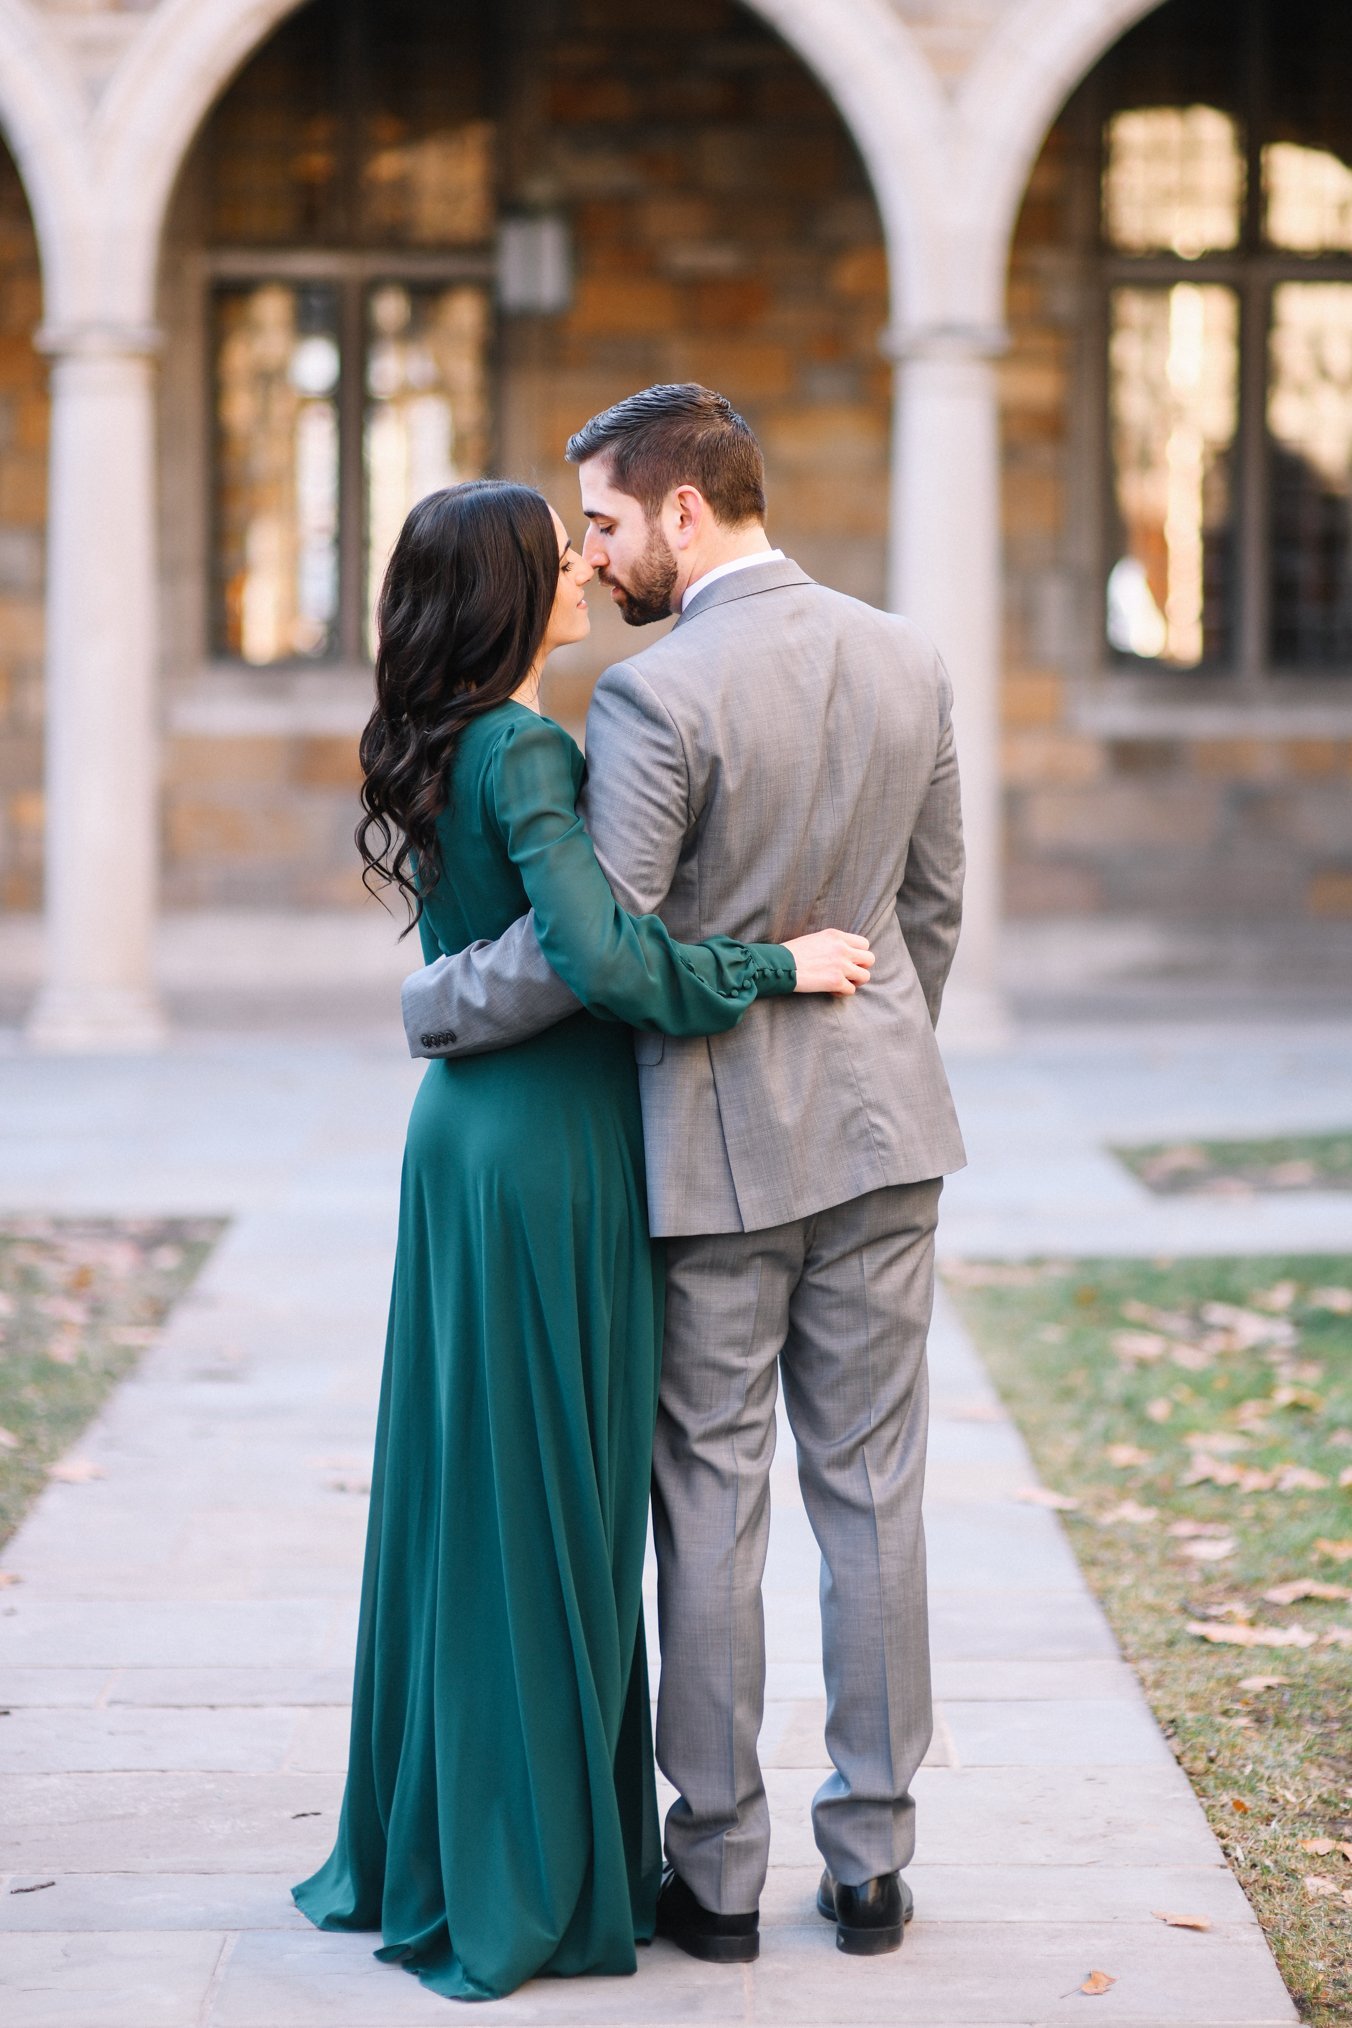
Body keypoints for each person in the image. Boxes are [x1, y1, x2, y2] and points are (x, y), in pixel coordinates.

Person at [401, 385, 967, 1965]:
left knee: (711, 1499)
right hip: (886, 1131)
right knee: (874, 1492)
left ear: (682, 514)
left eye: (603, 522)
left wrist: (434, 1003)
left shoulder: (656, 699)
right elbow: (932, 916)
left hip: (716, 1150)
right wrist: (873, 1057)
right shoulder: (909, 654)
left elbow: (593, 950)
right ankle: (872, 1865)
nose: (593, 555)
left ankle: (715, 1877)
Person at [291, 477, 873, 2002]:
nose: (583, 568)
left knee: (466, 1498)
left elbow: (518, 950)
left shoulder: (441, 735)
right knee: (545, 1506)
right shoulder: (531, 745)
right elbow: (597, 955)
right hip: (547, 1156)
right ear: (508, 592)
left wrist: (432, 1006)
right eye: (560, 556)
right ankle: (524, 1871)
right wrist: (778, 964)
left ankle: (446, 1836)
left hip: (467, 1150)